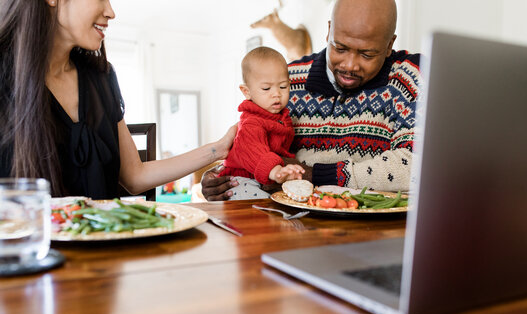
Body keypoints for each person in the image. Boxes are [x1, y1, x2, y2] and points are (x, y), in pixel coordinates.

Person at [0, 0, 236, 199]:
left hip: (107, 248)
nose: (110, 11)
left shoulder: (102, 78)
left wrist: (218, 150)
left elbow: (135, 177)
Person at [202, 0, 421, 201]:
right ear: (328, 32)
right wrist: (223, 176)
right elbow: (250, 141)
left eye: (367, 55)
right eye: (340, 48)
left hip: (375, 231)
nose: (350, 65)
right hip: (289, 225)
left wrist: (314, 174)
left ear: (390, 44)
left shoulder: (409, 78)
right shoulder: (286, 82)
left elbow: (416, 165)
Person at [219, 47, 304, 200]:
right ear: (247, 91)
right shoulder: (251, 123)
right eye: (266, 88)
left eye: (283, 86)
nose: (276, 93)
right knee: (261, 206)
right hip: (240, 180)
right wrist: (277, 172)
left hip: (265, 177)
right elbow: (254, 152)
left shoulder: (280, 117)